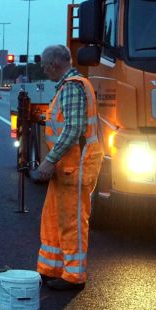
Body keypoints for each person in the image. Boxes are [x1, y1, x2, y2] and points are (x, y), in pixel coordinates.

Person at [34, 45, 103, 291]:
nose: (43, 70)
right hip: (67, 166)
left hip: (75, 166)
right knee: (54, 218)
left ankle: (74, 277)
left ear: (53, 64)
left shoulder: (72, 87)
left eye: (44, 65)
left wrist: (49, 160)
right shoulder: (67, 86)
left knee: (72, 221)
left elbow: (73, 129)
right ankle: (53, 268)